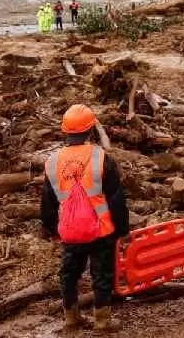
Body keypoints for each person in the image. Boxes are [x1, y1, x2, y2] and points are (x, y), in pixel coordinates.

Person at [41, 105, 129, 332]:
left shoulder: (52, 163)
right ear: (90, 130)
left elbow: (47, 203)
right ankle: (102, 321)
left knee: (69, 274)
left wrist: (51, 230)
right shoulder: (102, 158)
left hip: (70, 232)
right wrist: (122, 229)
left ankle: (71, 317)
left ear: (65, 131)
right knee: (102, 274)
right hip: (101, 231)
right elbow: (117, 199)